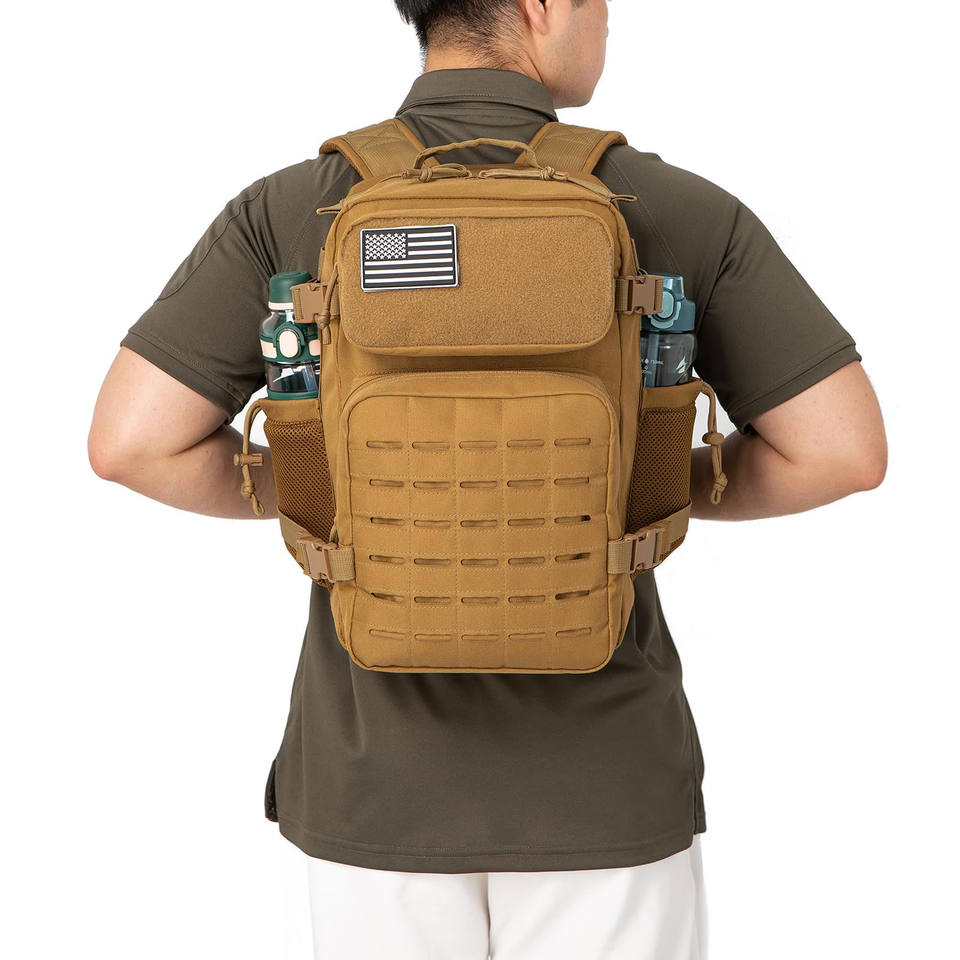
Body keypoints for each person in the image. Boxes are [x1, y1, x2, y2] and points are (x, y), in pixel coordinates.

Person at [88, 1, 887, 957]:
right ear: (542, 7)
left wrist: (331, 484)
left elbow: (133, 443)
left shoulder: (293, 206)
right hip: (606, 787)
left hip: (371, 788)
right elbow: (840, 450)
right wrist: (627, 480)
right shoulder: (675, 207)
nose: (609, 23)